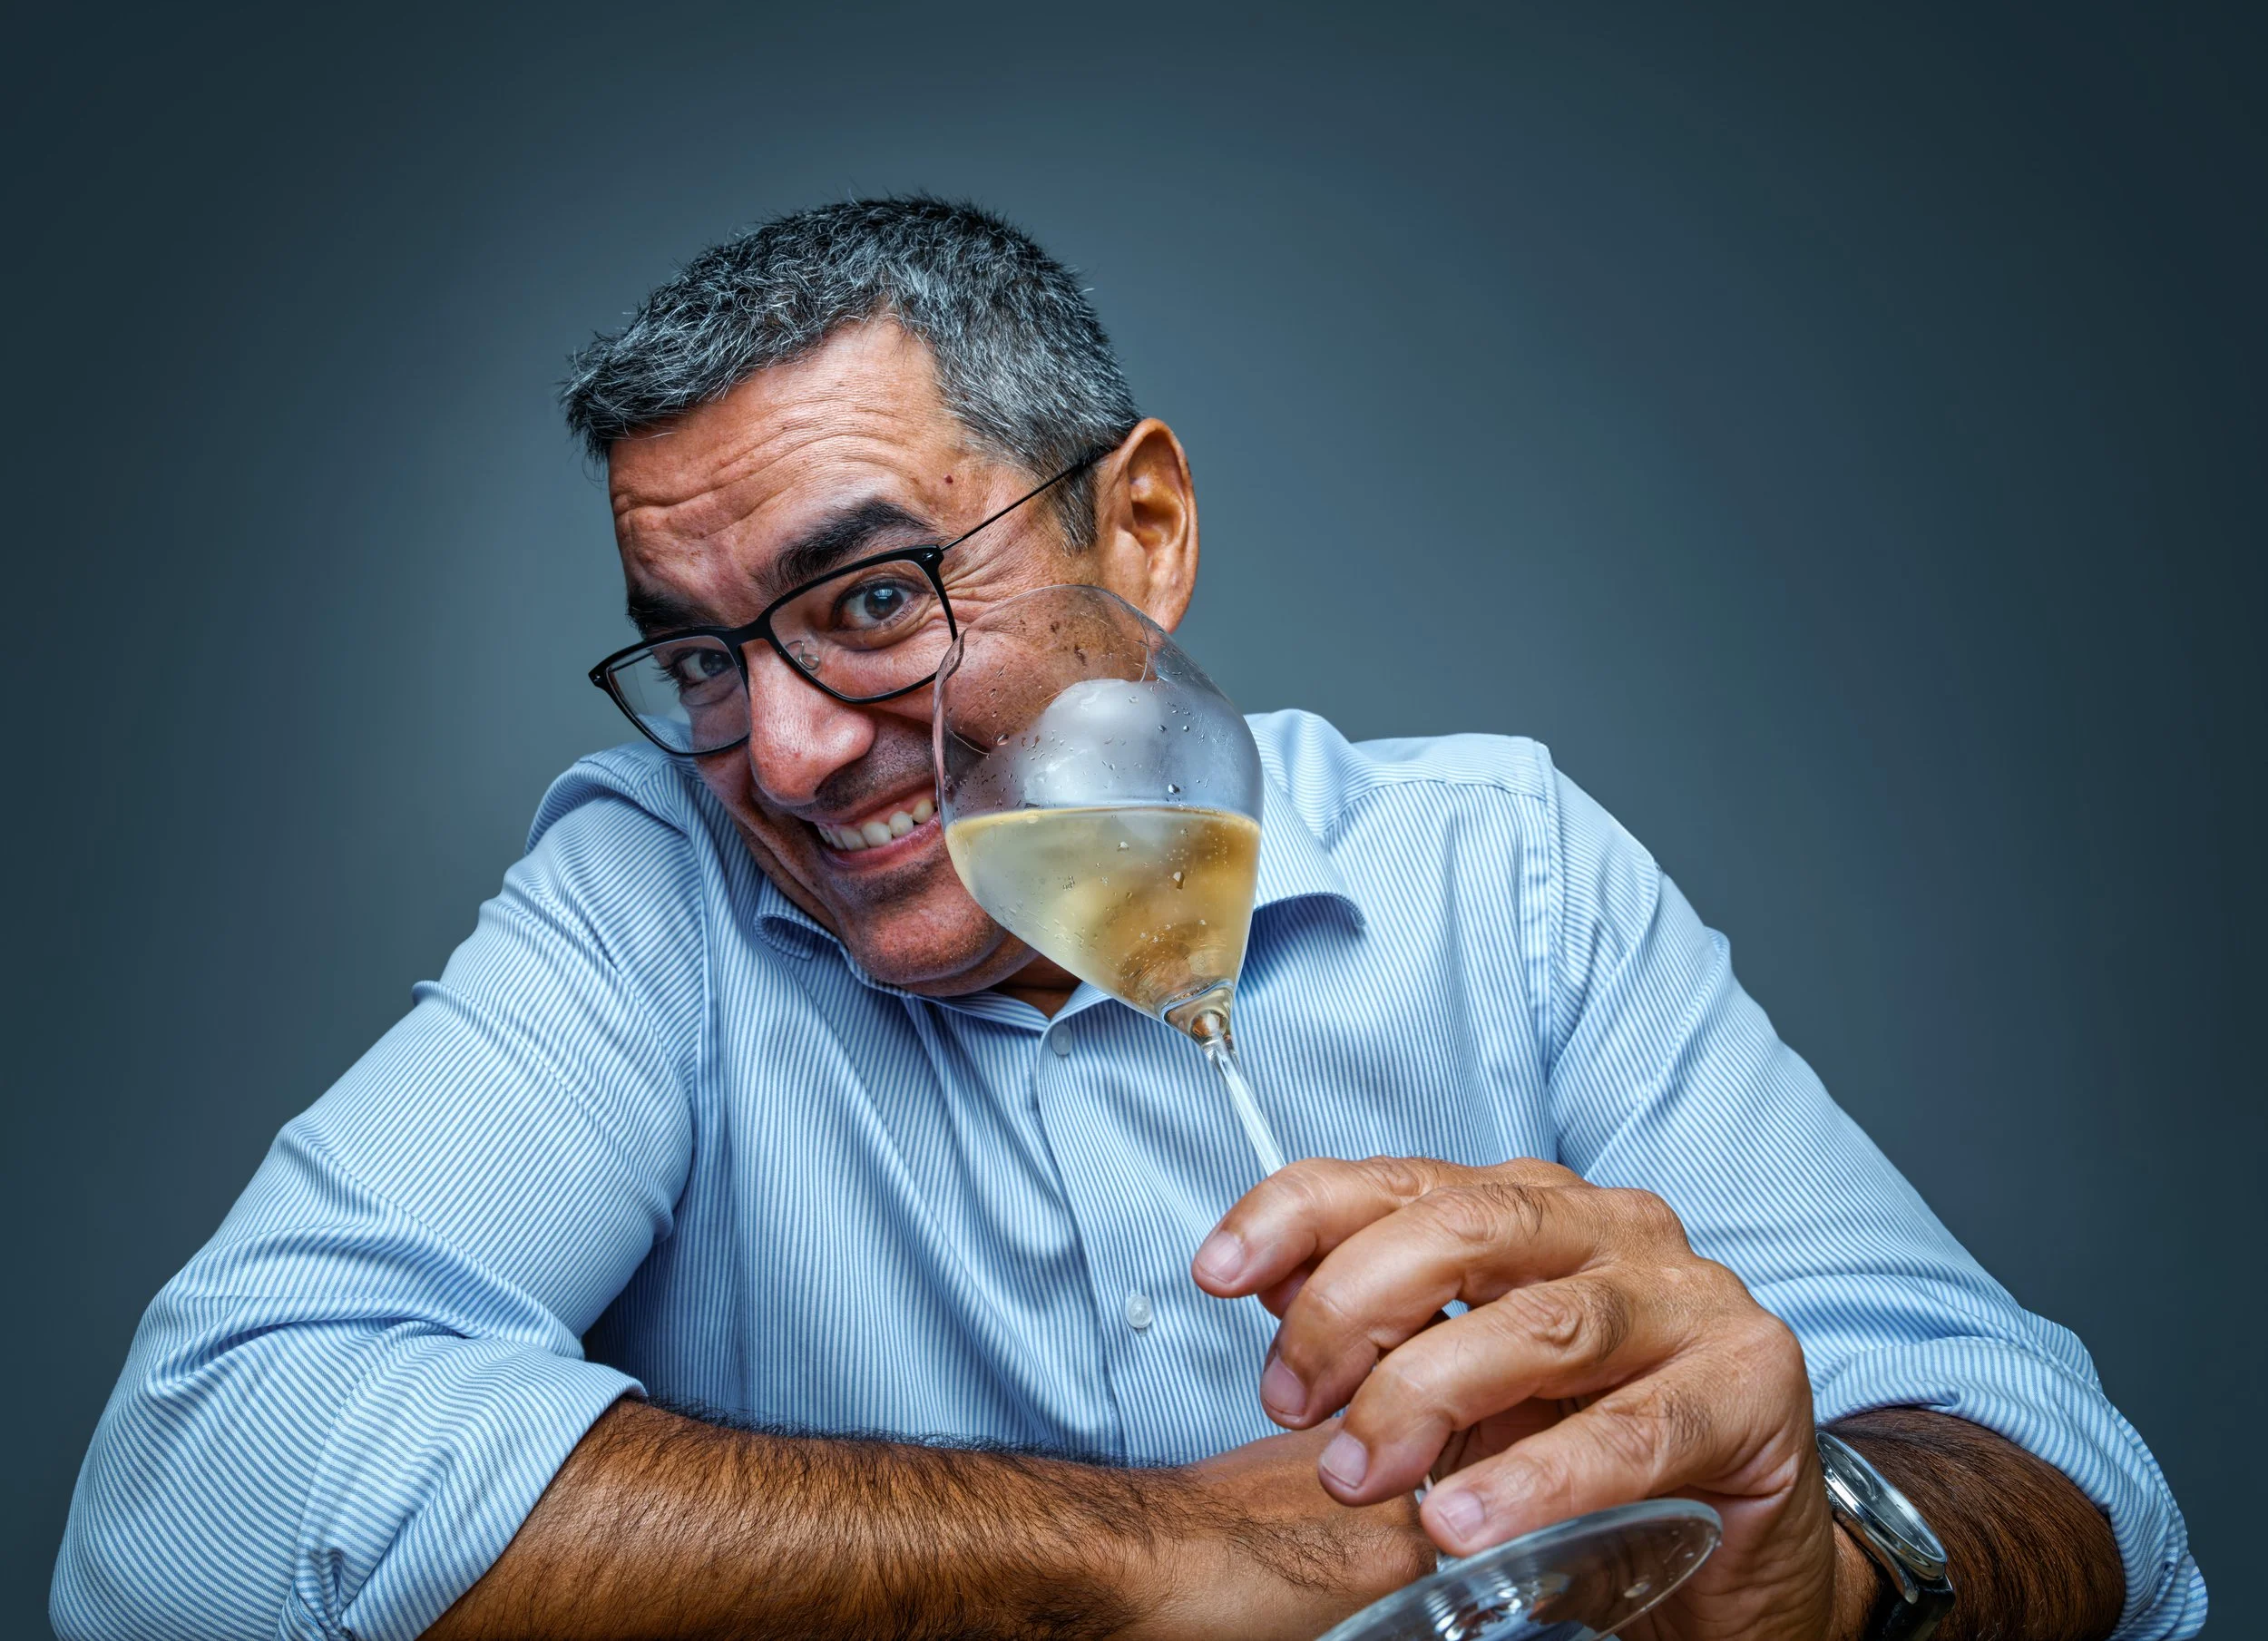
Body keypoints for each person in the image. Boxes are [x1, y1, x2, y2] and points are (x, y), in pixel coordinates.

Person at [54, 198, 2200, 1641]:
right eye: (703, 655)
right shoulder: (653, 879)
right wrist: (1155, 1557)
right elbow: (193, 1495)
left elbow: (2070, 1468)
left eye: (873, 601)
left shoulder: (1501, 871)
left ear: (1141, 529)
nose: (786, 752)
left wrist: (1833, 1565)